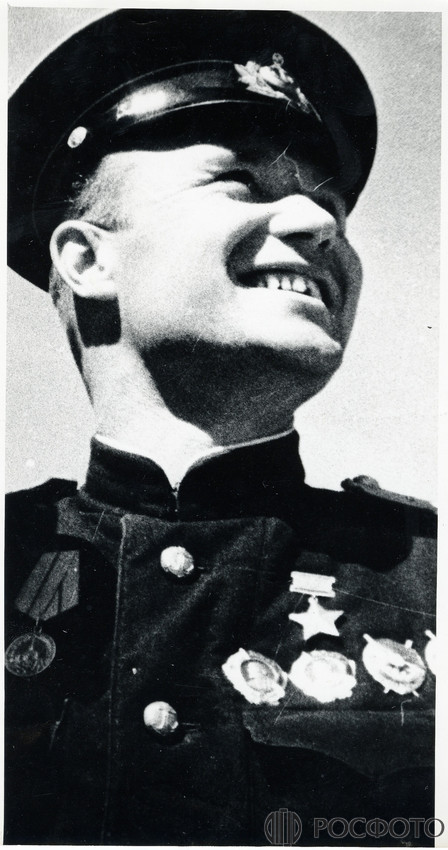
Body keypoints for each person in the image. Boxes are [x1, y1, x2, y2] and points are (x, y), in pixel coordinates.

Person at [5, 9, 437, 846]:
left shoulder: (431, 576)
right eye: (240, 183)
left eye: (330, 206)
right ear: (87, 260)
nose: (320, 225)